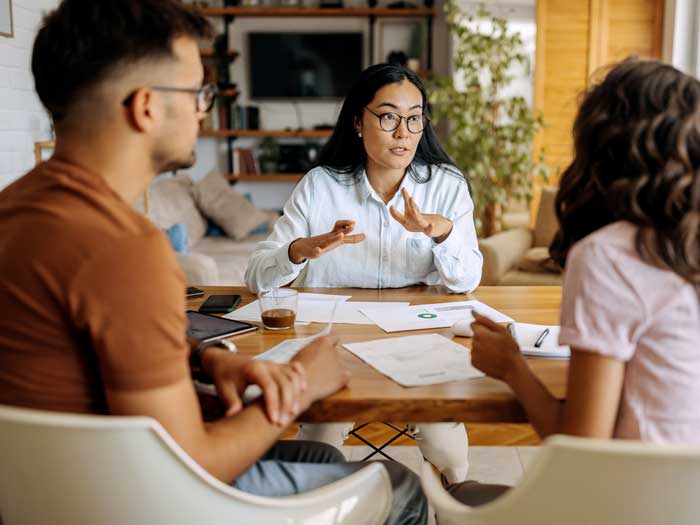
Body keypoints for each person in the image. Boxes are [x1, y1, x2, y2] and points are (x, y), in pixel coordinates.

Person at [0, 2, 427, 523]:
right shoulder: (124, 248)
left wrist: (205, 359)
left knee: (322, 456)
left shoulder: (17, 209)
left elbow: (84, 346)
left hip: (44, 487)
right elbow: (188, 467)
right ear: (146, 107)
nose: (205, 111)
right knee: (401, 486)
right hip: (125, 499)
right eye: (199, 93)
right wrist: (300, 386)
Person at [449, 58, 700, 505]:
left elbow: (582, 449)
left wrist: (512, 367)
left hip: (633, 506)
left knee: (442, 495)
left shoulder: (610, 255)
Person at [245, 63, 483, 484]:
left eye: (414, 118)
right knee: (319, 440)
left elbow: (465, 282)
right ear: (358, 121)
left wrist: (439, 231)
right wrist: (302, 250)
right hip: (334, 343)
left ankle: (452, 508)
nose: (404, 131)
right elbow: (257, 278)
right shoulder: (320, 185)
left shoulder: (447, 185)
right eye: (389, 116)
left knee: (445, 444)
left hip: (418, 342)